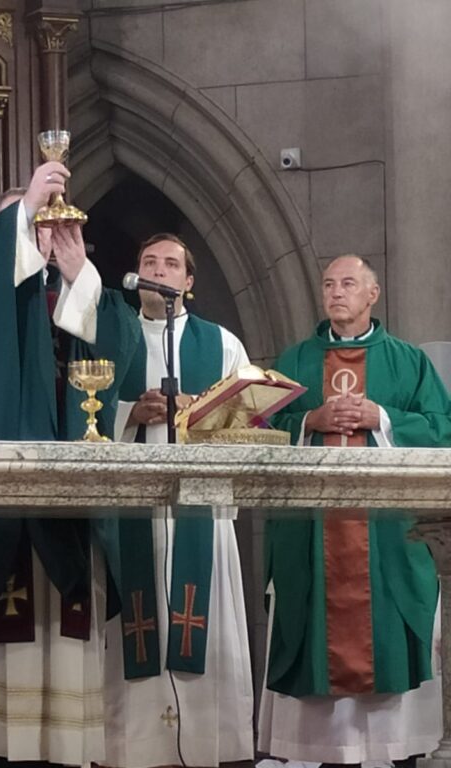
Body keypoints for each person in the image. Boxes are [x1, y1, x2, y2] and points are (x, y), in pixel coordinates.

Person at [0, 161, 140, 768]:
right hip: (6, 506)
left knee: (69, 689)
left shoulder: (75, 296)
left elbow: (121, 354)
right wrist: (22, 211)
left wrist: (81, 276)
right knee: (12, 689)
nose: (39, 236)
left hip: (71, 504)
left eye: (46, 227)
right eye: (26, 227)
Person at [259, 254, 451, 764]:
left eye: (348, 283)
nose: (336, 292)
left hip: (387, 536)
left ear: (372, 294)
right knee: (326, 715)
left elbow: (442, 429)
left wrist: (381, 417)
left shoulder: (408, 362)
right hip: (311, 534)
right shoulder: (294, 362)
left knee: (388, 662)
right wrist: (310, 421)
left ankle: (397, 753)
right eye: (329, 284)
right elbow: (257, 428)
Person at [100, 234, 254, 767]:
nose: (159, 270)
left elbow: (249, 424)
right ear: (136, 276)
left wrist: (195, 410)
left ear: (188, 281)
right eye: (149, 262)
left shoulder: (222, 344)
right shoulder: (112, 340)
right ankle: (131, 749)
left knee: (199, 618)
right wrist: (129, 414)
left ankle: (210, 743)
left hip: (200, 511)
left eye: (171, 264)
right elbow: (82, 412)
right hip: (131, 509)